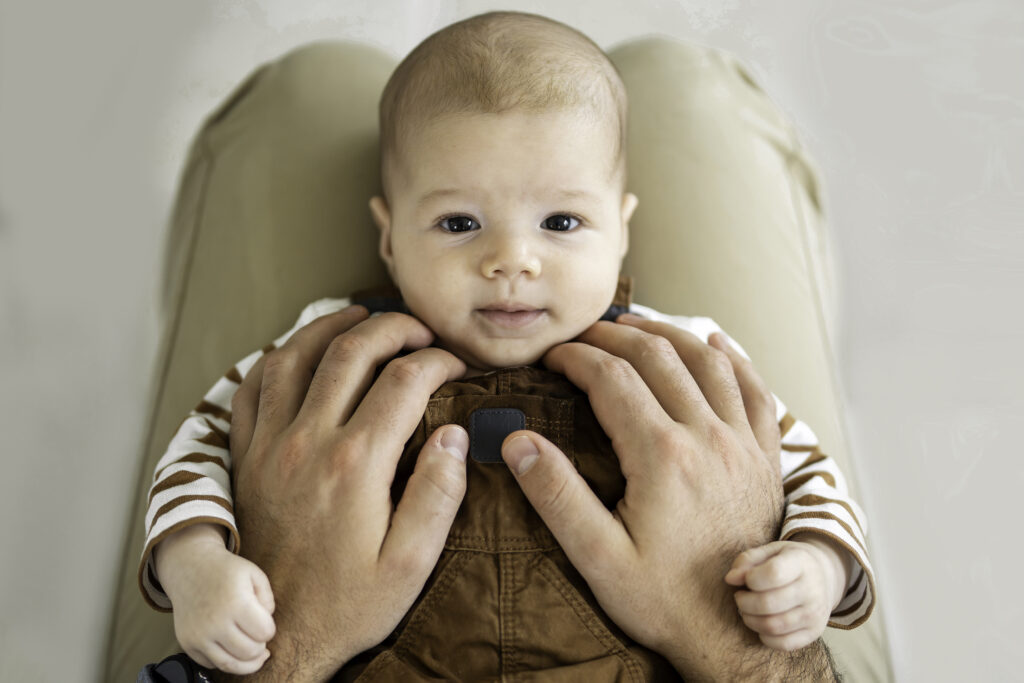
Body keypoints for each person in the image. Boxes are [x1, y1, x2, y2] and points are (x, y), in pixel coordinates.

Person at [139, 11, 874, 680]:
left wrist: (816, 564)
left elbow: (799, 464)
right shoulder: (336, 340)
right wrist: (195, 560)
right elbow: (207, 437)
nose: (512, 260)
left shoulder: (685, 353)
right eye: (460, 223)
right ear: (389, 236)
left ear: (621, 231)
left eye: (560, 222)